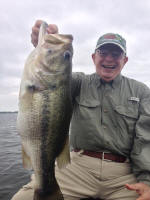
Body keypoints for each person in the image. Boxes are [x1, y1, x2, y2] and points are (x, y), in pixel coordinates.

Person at [12, 20, 150, 200]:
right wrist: (45, 48)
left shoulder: (141, 91)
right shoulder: (78, 82)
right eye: (103, 52)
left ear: (125, 60)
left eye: (116, 54)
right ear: (94, 58)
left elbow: (145, 139)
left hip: (124, 172)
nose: (109, 58)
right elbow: (55, 80)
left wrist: (147, 180)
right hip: (76, 166)